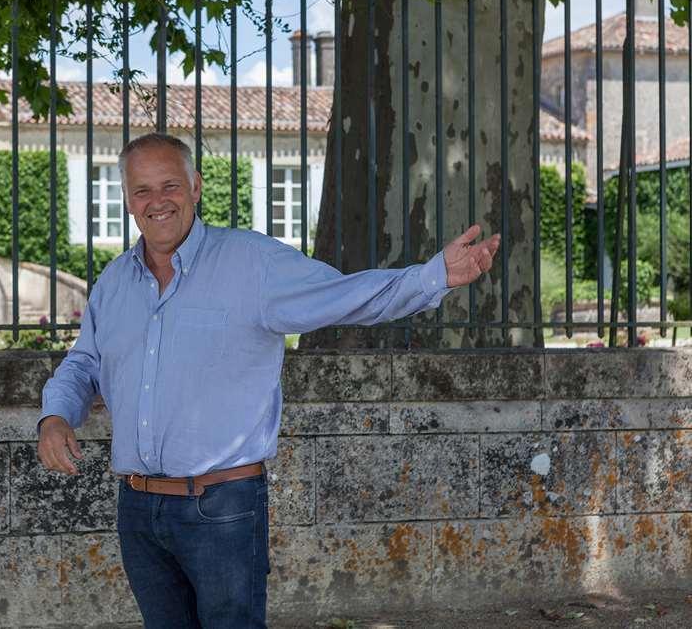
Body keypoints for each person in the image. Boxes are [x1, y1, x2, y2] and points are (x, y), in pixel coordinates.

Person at [37, 132, 500, 627]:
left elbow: (345, 295)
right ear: (127, 199)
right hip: (137, 507)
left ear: (195, 187)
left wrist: (432, 276)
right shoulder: (113, 284)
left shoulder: (252, 263)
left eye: (169, 185)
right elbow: (85, 363)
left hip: (221, 508)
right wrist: (56, 414)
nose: (157, 202)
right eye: (142, 190)